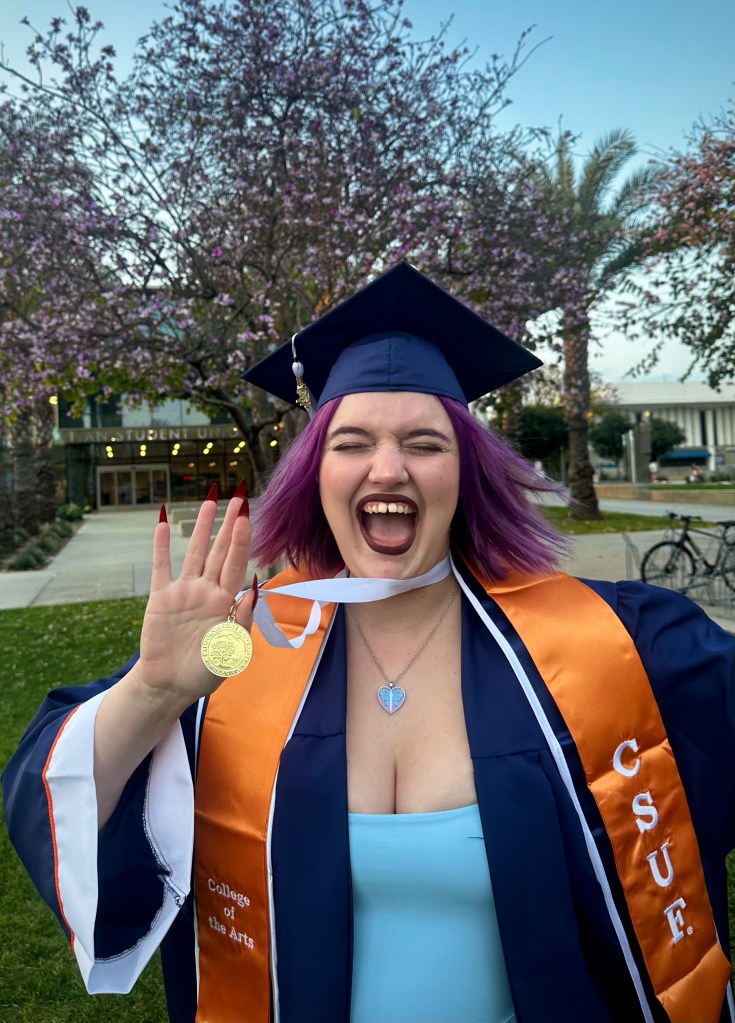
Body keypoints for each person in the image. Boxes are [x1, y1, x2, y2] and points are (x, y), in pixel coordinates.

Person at [3, 263, 735, 1023]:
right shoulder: (240, 648)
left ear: (467, 474)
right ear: (315, 474)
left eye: (425, 443)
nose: (388, 468)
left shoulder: (611, 644)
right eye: (351, 443)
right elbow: (61, 806)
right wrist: (154, 692)